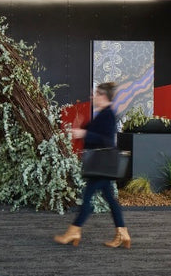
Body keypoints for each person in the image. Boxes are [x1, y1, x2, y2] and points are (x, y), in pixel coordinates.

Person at [55, 82, 130, 248]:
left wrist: (84, 132)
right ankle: (122, 233)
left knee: (88, 198)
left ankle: (74, 231)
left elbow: (106, 140)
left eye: (95, 94)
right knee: (110, 199)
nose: (92, 97)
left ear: (103, 96)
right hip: (100, 166)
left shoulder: (108, 115)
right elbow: (94, 133)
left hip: (100, 165)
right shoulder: (103, 113)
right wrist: (80, 127)